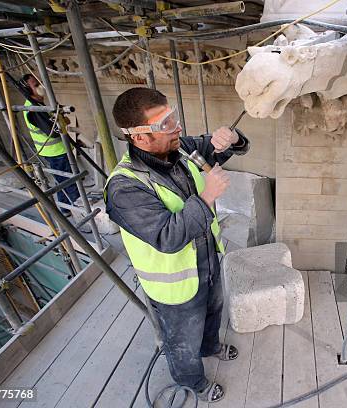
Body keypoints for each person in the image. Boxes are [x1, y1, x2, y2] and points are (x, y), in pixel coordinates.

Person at [104, 87, 250, 403]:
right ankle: (194, 382)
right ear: (139, 137)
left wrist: (232, 138)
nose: (177, 128)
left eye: (173, 117)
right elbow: (167, 237)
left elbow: (215, 147)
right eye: (165, 123)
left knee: (214, 312)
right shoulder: (124, 188)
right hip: (175, 287)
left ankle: (210, 346)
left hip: (208, 261)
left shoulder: (180, 149)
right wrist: (207, 196)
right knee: (182, 342)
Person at [20, 74, 80, 214]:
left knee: (63, 181)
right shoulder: (34, 109)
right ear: (29, 91)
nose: (40, 86)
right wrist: (62, 121)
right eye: (36, 85)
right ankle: (78, 211)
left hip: (57, 150)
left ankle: (66, 209)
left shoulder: (39, 105)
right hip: (55, 152)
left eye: (39, 82)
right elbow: (53, 131)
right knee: (69, 182)